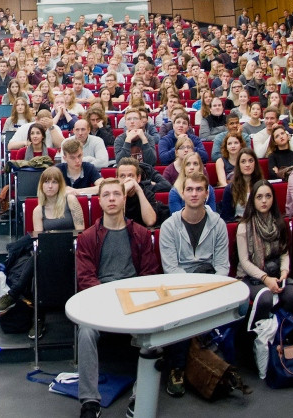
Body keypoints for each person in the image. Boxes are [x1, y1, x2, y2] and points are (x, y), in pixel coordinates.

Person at [74, 179, 161, 418]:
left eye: (116, 194)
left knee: (155, 330)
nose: (111, 199)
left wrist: (130, 299)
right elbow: (85, 278)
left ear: (124, 199)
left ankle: (140, 393)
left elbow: (148, 275)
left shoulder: (141, 234)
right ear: (100, 201)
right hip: (101, 300)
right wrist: (109, 299)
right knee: (86, 331)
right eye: (107, 195)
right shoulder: (88, 238)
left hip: (134, 300)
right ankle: (90, 401)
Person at [157, 172, 231, 398]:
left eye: (199, 189)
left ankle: (217, 363)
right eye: (190, 189)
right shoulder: (169, 226)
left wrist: (211, 290)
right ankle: (177, 368)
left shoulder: (218, 224)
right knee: (182, 311)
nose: (194, 193)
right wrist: (194, 291)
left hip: (211, 281)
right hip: (180, 284)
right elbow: (171, 268)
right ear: (182, 193)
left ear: (207, 193)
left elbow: (222, 266)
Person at [235, 180, 293, 322]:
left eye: (268, 196)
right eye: (259, 197)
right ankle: (258, 336)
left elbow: (284, 252)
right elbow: (244, 262)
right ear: (253, 200)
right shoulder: (244, 227)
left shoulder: (279, 222)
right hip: (251, 277)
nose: (264, 201)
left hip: (275, 273)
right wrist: (265, 278)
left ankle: (280, 332)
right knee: (265, 298)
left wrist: (284, 272)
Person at [31, 166, 85, 234]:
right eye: (46, 182)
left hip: (71, 242)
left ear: (60, 185)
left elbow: (80, 232)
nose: (50, 186)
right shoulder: (38, 210)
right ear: (41, 185)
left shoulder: (70, 200)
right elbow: (39, 239)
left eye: (54, 182)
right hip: (49, 243)